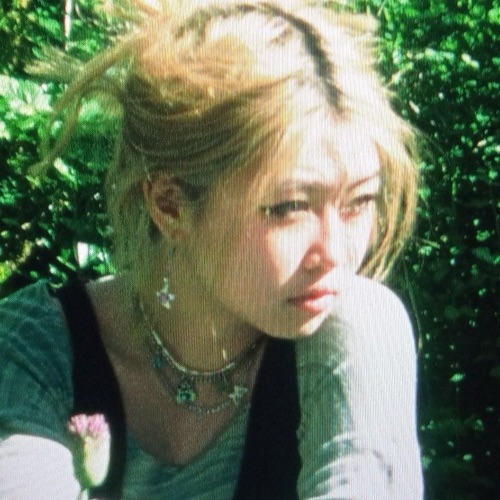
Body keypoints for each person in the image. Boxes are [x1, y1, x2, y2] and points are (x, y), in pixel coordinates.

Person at [0, 0, 424, 498]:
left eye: (360, 202)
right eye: (288, 207)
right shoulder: (35, 348)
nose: (334, 253)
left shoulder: (357, 330)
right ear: (170, 205)